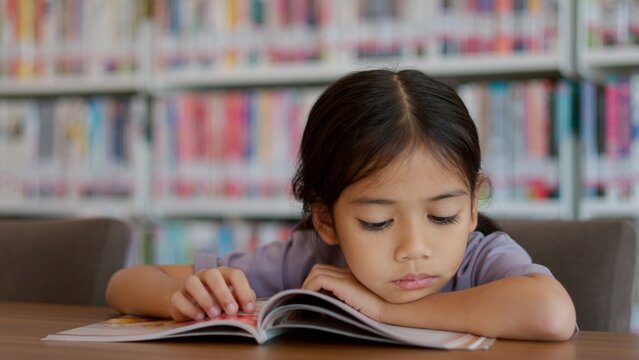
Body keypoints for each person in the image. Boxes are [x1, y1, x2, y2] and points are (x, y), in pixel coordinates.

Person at [106, 69, 576, 340]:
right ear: (326, 218)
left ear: (472, 208)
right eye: (376, 221)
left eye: (442, 216)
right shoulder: (312, 258)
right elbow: (124, 283)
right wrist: (180, 297)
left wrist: (379, 309)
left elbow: (551, 314)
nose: (414, 248)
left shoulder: (484, 257)